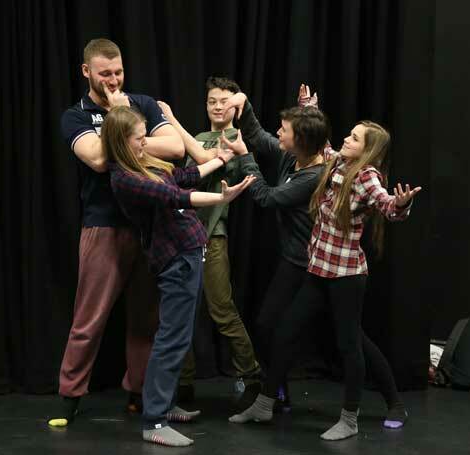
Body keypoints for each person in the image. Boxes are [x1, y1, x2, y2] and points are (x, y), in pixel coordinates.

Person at [228, 118, 421, 442]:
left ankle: (351, 417)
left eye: (355, 137)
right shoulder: (336, 162)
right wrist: (308, 108)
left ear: (367, 149)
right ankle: (264, 403)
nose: (347, 138)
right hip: (319, 269)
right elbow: (323, 145)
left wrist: (401, 204)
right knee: (287, 332)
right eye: (350, 133)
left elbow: (386, 204)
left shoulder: (366, 175)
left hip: (346, 276)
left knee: (351, 344)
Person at [49, 38, 184, 427]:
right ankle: (70, 397)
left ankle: (139, 394)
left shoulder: (141, 102)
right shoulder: (76, 115)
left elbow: (176, 148)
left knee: (146, 319)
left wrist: (124, 139)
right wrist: (126, 129)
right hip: (103, 227)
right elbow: (94, 158)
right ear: (86, 71)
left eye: (118, 72)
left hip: (150, 226)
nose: (113, 80)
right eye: (105, 73)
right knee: (89, 319)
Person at [104, 106, 255, 446]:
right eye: (140, 139)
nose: (147, 144)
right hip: (175, 260)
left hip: (187, 254)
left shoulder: (142, 163)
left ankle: (166, 405)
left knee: (178, 337)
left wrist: (219, 158)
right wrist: (222, 196)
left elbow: (182, 178)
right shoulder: (125, 178)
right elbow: (175, 197)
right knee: (171, 339)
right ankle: (154, 421)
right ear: (122, 142)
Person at [216, 86, 330, 411]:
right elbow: (257, 133)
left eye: (285, 130)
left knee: (345, 338)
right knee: (268, 327)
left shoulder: (313, 177)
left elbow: (265, 198)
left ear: (302, 141)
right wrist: (243, 101)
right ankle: (277, 391)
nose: (278, 132)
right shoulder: (291, 157)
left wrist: (244, 157)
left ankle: (391, 402)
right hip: (291, 260)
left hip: (309, 265)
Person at [157, 76, 262, 404]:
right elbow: (190, 171)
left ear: (235, 106)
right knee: (183, 311)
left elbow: (204, 158)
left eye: (225, 102)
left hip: (212, 237)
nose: (218, 107)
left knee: (221, 309)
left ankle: (252, 376)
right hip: (184, 233)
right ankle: (184, 383)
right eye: (212, 101)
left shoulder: (235, 137)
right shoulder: (200, 136)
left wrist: (172, 121)